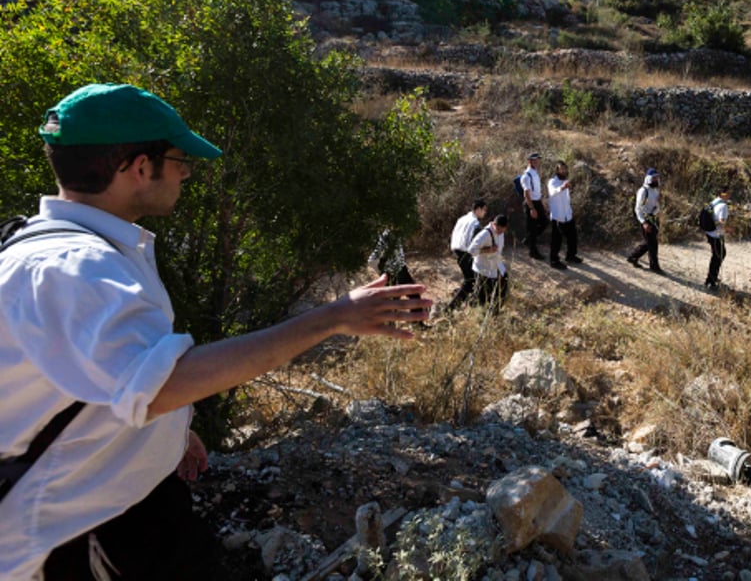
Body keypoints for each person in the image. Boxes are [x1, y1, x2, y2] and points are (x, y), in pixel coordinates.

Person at [0, 83, 430, 581]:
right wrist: (332, 317)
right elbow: (160, 382)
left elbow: (102, 374)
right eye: (180, 159)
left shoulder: (65, 251)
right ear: (139, 168)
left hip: (117, 504)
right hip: (79, 534)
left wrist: (168, 431)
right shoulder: (77, 269)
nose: (185, 171)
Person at [447, 198, 488, 311]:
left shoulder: (462, 219)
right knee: (471, 281)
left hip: (456, 251)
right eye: (484, 210)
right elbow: (475, 243)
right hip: (466, 253)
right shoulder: (475, 224)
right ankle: (451, 308)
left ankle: (469, 303)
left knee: (471, 280)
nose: (485, 212)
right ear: (478, 209)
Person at [468, 214, 508, 314]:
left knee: (502, 289)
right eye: (498, 229)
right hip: (483, 269)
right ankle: (478, 312)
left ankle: (495, 312)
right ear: (494, 224)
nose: (499, 233)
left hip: (496, 266)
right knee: (483, 297)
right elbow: (471, 250)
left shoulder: (501, 233)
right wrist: (488, 250)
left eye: (502, 230)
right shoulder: (485, 234)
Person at [546, 162, 582, 270]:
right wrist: (562, 187)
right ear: (557, 170)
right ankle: (554, 261)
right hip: (558, 216)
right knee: (556, 240)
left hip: (567, 215)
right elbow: (552, 192)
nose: (563, 171)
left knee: (572, 237)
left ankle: (571, 256)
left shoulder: (565, 180)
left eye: (564, 169)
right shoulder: (552, 181)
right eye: (561, 169)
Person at [627, 168, 663, 274]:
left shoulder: (655, 190)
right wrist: (644, 222)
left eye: (657, 178)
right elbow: (638, 209)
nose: (656, 180)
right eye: (654, 178)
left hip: (654, 218)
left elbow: (656, 206)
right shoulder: (643, 191)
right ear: (649, 179)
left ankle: (633, 256)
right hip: (646, 219)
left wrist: (657, 207)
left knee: (649, 242)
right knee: (653, 244)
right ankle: (654, 266)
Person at [704, 186, 732, 291]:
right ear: (722, 194)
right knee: (719, 256)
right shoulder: (723, 206)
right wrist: (727, 230)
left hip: (710, 233)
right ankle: (710, 281)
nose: (729, 195)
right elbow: (721, 221)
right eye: (728, 193)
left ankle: (712, 278)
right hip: (716, 235)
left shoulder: (714, 202)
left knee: (718, 255)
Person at [520, 152, 546, 260]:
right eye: (534, 160)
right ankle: (533, 251)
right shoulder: (526, 176)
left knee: (544, 222)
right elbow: (526, 193)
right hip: (531, 203)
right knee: (532, 228)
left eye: (537, 160)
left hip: (537, 202)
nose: (537, 162)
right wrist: (532, 208)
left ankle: (529, 240)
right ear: (529, 161)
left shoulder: (535, 172)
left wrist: (541, 203)